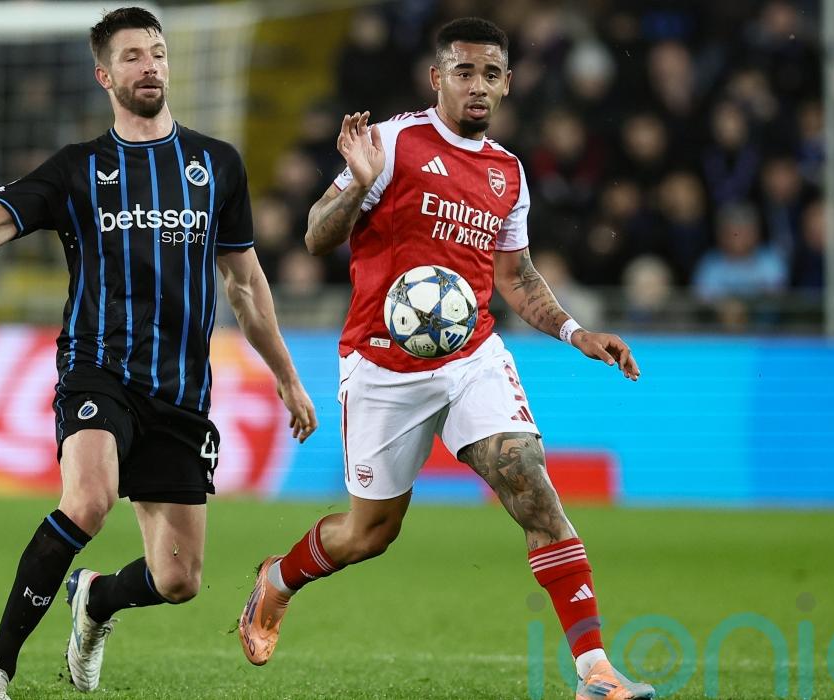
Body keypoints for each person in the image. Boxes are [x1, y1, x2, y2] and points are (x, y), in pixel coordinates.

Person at [237, 17, 655, 700]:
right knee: (369, 534)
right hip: (381, 365)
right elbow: (313, 236)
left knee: (529, 480)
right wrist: (357, 185)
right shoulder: (392, 143)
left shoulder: (508, 173)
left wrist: (577, 331)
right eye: (464, 71)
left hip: (470, 358)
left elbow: (516, 277)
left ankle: (595, 672)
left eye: (491, 73)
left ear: (508, 83)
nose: (477, 85)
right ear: (437, 78)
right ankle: (278, 579)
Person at [0, 8, 317, 698]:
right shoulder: (77, 168)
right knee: (88, 500)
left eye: (158, 53)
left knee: (178, 580)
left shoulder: (216, 164)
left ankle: (95, 599)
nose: (150, 66)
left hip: (180, 390)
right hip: (98, 368)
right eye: (133, 56)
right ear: (104, 75)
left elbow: (244, 284)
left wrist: (288, 379)